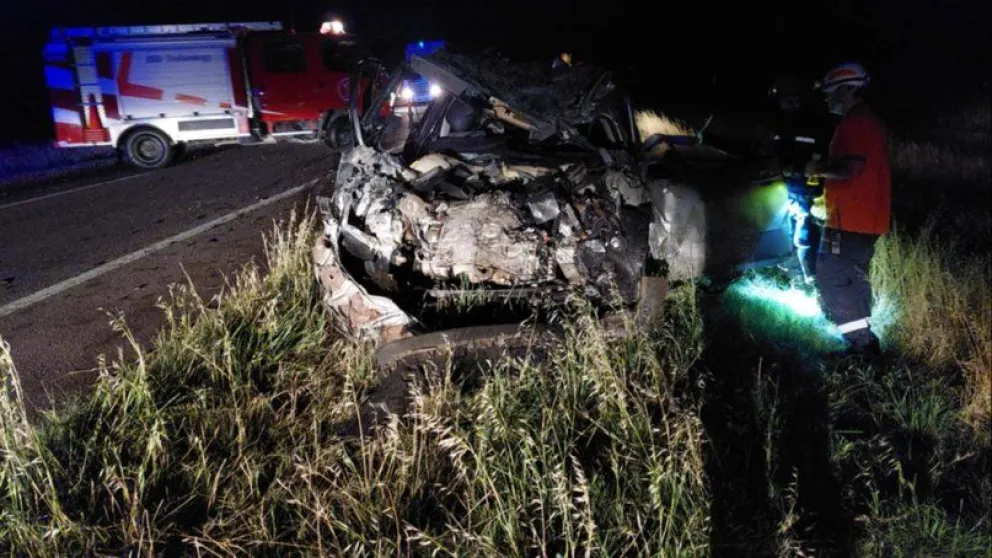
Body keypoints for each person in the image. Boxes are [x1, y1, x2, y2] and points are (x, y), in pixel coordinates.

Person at [808, 63, 891, 353]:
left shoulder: (855, 123)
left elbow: (850, 168)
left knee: (832, 278)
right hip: (865, 218)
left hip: (850, 220)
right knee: (853, 278)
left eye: (832, 92)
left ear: (848, 89)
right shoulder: (868, 120)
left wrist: (818, 170)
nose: (828, 99)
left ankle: (861, 346)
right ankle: (865, 342)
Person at [769, 76, 828, 284]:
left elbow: (822, 159)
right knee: (791, 235)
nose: (788, 104)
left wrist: (796, 171)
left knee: (806, 236)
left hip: (808, 192)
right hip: (785, 190)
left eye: (792, 99)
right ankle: (798, 278)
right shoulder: (778, 124)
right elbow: (774, 152)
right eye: (785, 100)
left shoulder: (816, 124)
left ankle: (812, 281)